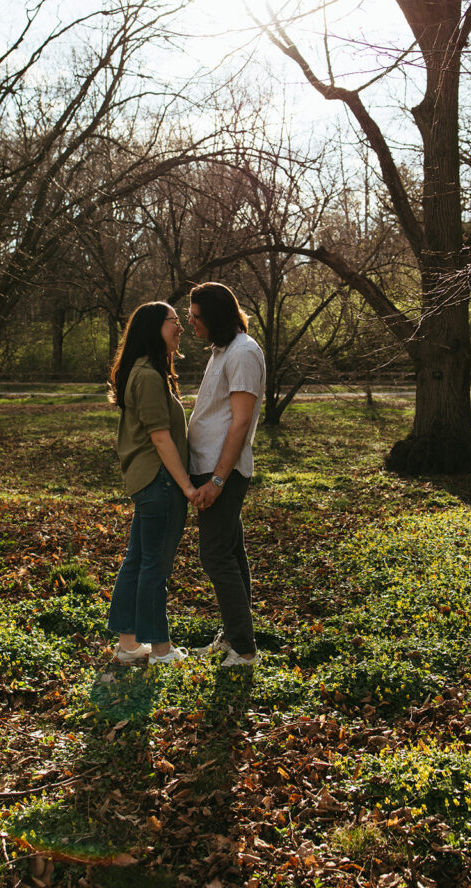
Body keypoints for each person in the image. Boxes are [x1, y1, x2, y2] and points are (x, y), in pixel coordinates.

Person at [107, 302, 195, 665]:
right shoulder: (148, 375)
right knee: (154, 566)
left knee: (139, 561)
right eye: (175, 322)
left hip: (149, 480)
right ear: (155, 328)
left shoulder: (148, 371)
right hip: (159, 480)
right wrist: (187, 487)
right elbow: (161, 439)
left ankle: (128, 645)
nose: (181, 328)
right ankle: (160, 649)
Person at [187, 282, 266, 668]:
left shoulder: (244, 353)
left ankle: (245, 649)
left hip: (224, 471)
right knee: (231, 553)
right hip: (209, 467)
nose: (190, 322)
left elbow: (240, 423)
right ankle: (235, 636)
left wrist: (217, 480)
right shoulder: (222, 350)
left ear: (216, 317)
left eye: (197, 316)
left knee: (216, 556)